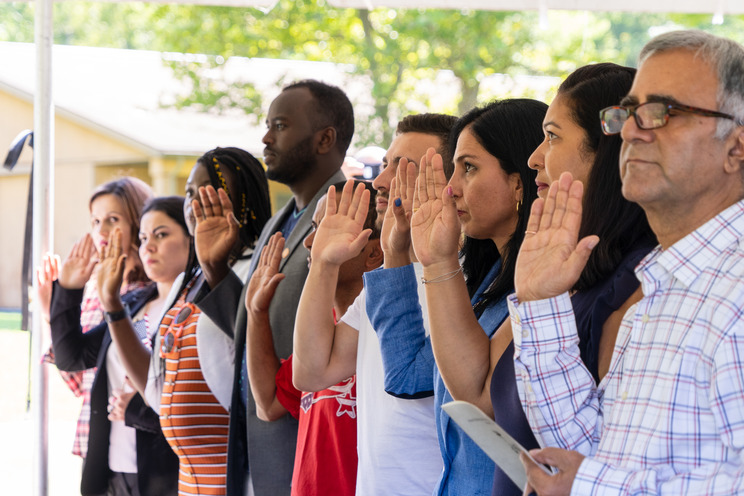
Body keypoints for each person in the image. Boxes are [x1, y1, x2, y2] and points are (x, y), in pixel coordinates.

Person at [513, 30, 744, 495]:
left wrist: (594, 487)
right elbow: (592, 452)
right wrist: (541, 303)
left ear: (736, 148)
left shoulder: (736, 294)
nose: (631, 131)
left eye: (664, 112)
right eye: (630, 112)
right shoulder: (661, 286)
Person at [368, 99, 546, 495]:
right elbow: (407, 375)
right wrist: (398, 253)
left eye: (469, 168)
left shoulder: (544, 283)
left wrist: (438, 263)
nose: (451, 188)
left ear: (520, 181)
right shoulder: (488, 282)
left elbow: (480, 399)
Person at [195, 80, 351, 496]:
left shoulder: (349, 216)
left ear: (325, 139)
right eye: (267, 125)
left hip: (309, 450)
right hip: (259, 444)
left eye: (279, 125)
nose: (265, 138)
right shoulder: (279, 221)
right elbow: (255, 333)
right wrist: (215, 269)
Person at [292, 113, 456, 495]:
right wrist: (324, 262)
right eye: (385, 165)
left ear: (450, 183)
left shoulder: (465, 281)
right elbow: (313, 371)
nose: (380, 182)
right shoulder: (384, 283)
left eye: (403, 169)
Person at [100, 147, 271, 496]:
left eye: (209, 189)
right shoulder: (185, 282)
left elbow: (257, 352)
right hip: (191, 481)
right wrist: (112, 306)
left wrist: (216, 268)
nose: (196, 201)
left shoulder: (261, 267)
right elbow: (155, 389)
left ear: (244, 198)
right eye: (191, 192)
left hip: (240, 477)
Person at [244, 180, 382, 496]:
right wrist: (256, 314)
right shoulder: (323, 332)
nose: (309, 242)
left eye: (327, 230)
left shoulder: (384, 329)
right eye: (315, 228)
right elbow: (268, 404)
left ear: (373, 252)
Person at [49, 196, 186, 496]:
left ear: (192, 239)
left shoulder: (195, 309)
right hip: (111, 471)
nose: (148, 246)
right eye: (144, 237)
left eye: (161, 235)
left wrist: (138, 410)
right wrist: (69, 290)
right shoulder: (134, 304)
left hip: (164, 477)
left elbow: (202, 406)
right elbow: (72, 357)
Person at [41, 177, 152, 466]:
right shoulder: (91, 289)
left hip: (138, 446)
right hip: (98, 444)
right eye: (95, 220)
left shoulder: (151, 293)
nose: (101, 231)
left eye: (112, 219)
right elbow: (80, 379)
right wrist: (51, 313)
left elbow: (134, 362)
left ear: (139, 223)